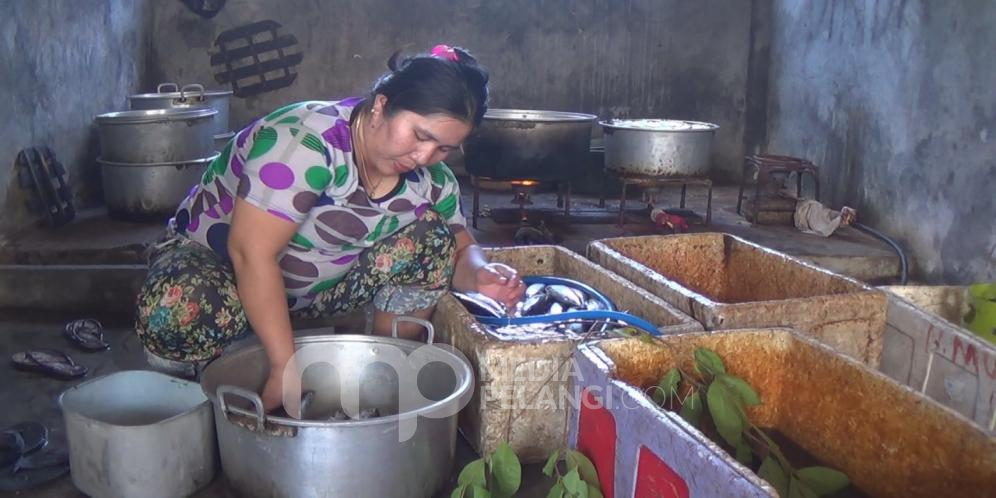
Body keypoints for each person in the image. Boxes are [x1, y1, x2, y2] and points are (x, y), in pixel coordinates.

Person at [135, 44, 525, 411]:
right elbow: (249, 255)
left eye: (443, 148)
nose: (424, 156)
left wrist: (481, 273)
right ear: (381, 107)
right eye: (420, 135)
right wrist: (285, 367)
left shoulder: (432, 180)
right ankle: (185, 383)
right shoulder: (304, 142)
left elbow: (459, 242)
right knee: (180, 307)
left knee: (432, 240)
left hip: (314, 289)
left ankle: (380, 372)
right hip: (223, 272)